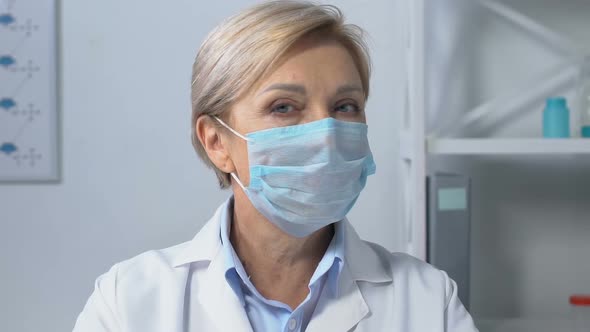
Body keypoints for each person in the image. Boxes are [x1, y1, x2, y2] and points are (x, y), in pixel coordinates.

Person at [73, 1, 479, 331]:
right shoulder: (128, 301)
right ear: (217, 142)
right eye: (283, 107)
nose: (326, 133)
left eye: (345, 106)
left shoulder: (428, 301)